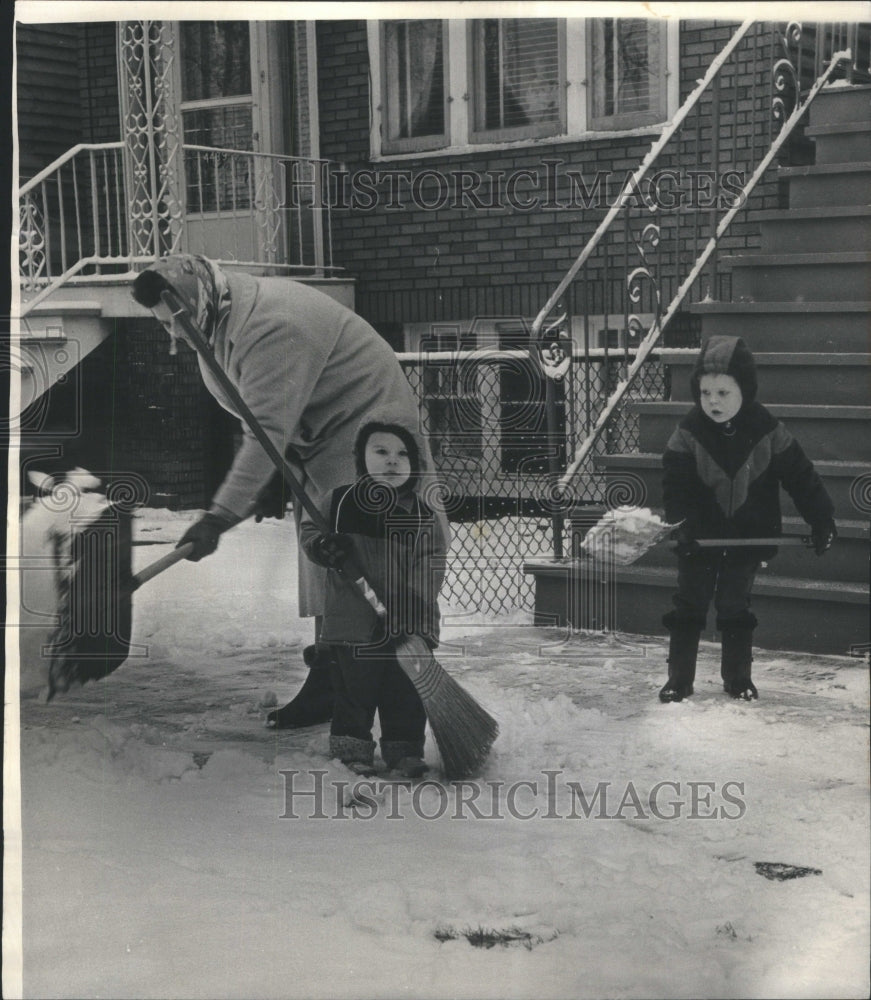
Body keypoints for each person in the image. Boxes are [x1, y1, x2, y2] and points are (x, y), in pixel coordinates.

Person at [130, 254, 446, 727]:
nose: (173, 335)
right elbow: (258, 418)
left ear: (198, 299)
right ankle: (328, 683)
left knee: (366, 556)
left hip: (367, 432)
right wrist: (260, 484)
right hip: (313, 438)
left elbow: (266, 430)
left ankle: (385, 698)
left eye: (176, 322)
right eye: (164, 326)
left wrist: (220, 514)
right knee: (323, 558)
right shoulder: (215, 322)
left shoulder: (273, 325)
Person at [659, 335, 836, 703]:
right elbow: (676, 487)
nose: (713, 402)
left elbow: (801, 476)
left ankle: (738, 678)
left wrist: (821, 518)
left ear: (745, 389)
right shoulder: (688, 433)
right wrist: (681, 526)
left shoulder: (768, 430)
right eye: (705, 393)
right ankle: (679, 679)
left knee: (734, 604)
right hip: (699, 539)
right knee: (690, 601)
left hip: (747, 537)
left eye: (723, 393)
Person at [299, 412, 448, 777]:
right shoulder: (338, 503)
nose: (392, 461)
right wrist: (322, 546)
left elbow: (432, 561)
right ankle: (352, 749)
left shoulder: (422, 516)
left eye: (402, 455)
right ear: (360, 459)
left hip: (408, 623)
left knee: (404, 690)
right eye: (380, 451)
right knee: (354, 689)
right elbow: (308, 531)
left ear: (415, 465)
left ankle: (404, 749)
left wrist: (411, 602)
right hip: (354, 620)